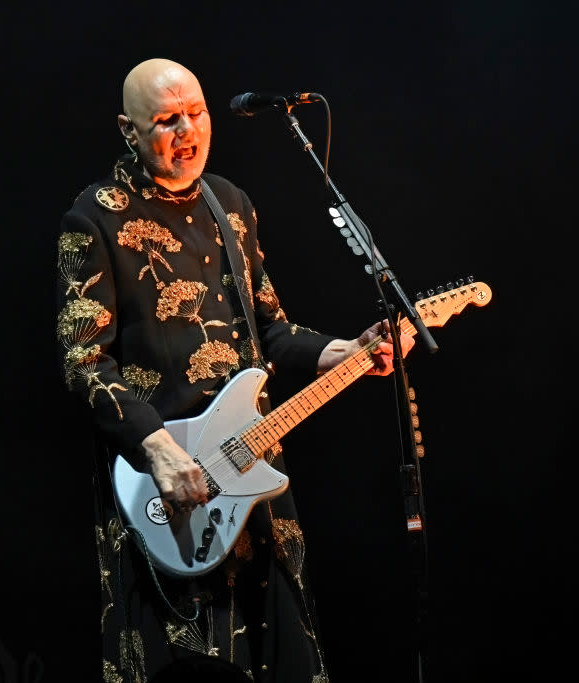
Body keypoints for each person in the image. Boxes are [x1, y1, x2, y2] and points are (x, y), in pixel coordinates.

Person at [55, 58, 415, 683]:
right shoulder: (95, 216)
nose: (187, 131)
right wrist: (159, 450)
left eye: (196, 113)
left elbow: (270, 328)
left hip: (253, 480)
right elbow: (83, 359)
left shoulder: (231, 204)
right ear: (128, 129)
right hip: (164, 493)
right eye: (166, 121)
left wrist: (348, 350)